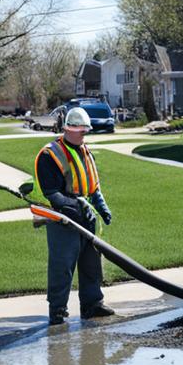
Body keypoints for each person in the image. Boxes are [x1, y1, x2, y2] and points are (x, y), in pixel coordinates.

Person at [35, 107, 114, 326]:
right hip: (63, 221)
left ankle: (92, 304)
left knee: (91, 264)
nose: (84, 134)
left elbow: (92, 186)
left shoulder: (85, 151)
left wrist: (100, 205)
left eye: (85, 130)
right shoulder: (50, 155)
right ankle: (57, 310)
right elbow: (52, 193)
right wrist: (76, 204)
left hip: (87, 218)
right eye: (80, 130)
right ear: (68, 129)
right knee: (63, 266)